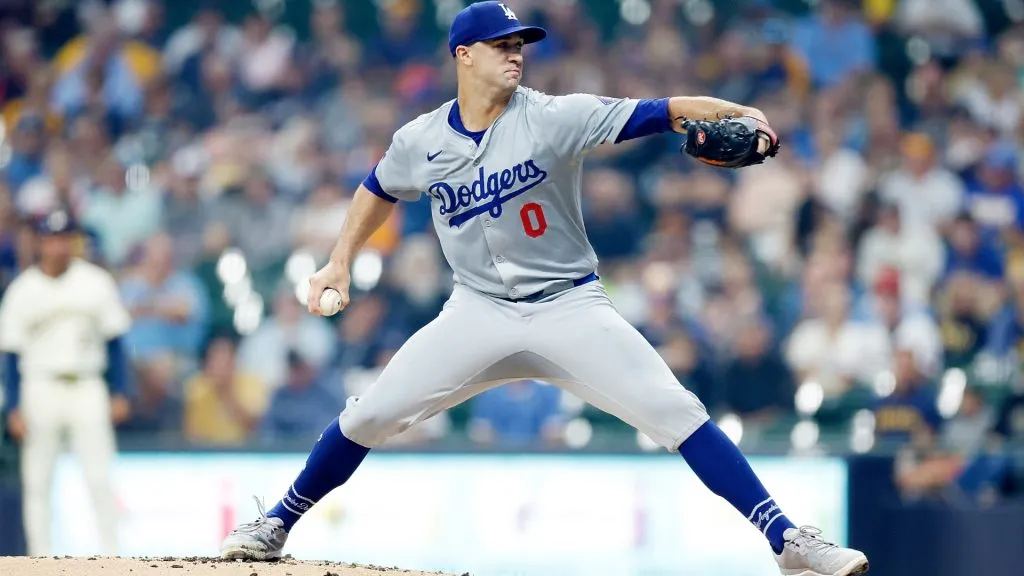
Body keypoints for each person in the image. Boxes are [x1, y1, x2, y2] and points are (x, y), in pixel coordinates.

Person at [220, 3, 869, 575]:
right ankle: (276, 522)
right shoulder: (419, 139)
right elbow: (378, 187)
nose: (515, 54)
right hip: (475, 312)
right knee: (367, 414)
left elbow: (664, 111)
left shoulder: (556, 118)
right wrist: (339, 261)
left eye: (519, 44)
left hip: (569, 307)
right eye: (502, 45)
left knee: (678, 413)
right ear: (463, 55)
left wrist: (739, 113)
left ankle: (787, 540)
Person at [0, 209, 132, 556]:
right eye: (52, 238)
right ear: (41, 242)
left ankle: (111, 555)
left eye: (65, 238)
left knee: (100, 475)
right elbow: (11, 355)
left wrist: (120, 390)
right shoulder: (23, 290)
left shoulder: (95, 282)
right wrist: (13, 406)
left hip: (87, 384)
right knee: (38, 480)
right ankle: (40, 558)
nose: (59, 246)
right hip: (39, 385)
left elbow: (116, 342)